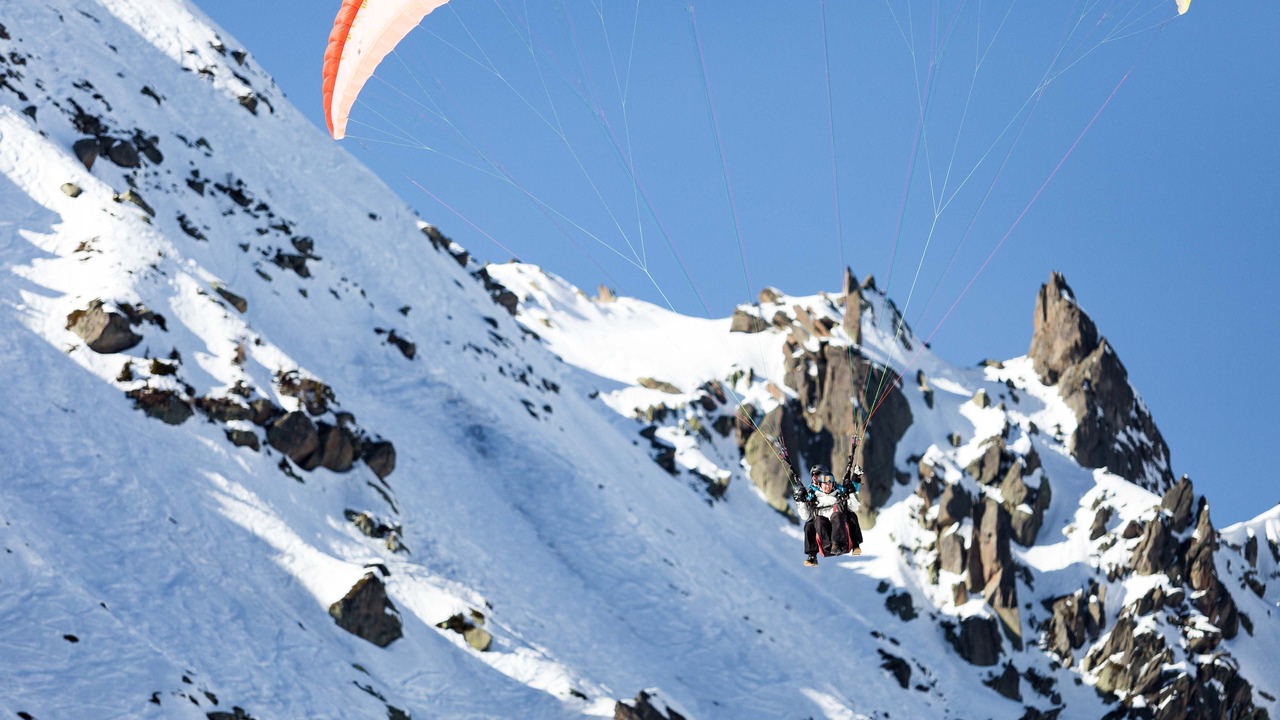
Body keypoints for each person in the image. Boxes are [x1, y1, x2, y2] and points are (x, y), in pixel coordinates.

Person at [793, 453, 865, 567]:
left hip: (841, 533)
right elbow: (806, 515)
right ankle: (813, 555)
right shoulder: (811, 494)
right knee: (810, 525)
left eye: (819, 475)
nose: (815, 477)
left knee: (848, 515)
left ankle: (854, 544)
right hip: (824, 534)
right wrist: (801, 501)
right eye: (814, 475)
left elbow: (854, 504)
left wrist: (851, 490)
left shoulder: (838, 491)